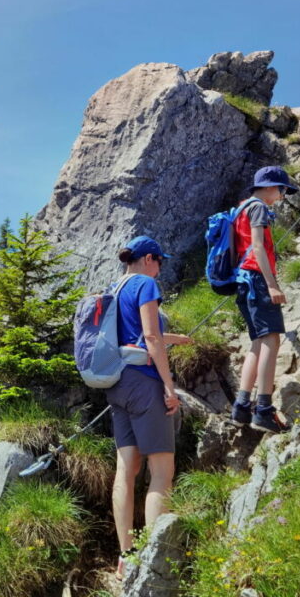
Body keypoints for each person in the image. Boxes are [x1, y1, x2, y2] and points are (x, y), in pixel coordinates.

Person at [105, 236, 193, 579]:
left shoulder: (114, 288)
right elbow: (151, 337)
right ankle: (153, 558)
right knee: (161, 471)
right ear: (148, 259)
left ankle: (126, 555)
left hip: (116, 385)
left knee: (126, 469)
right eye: (160, 261)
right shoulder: (144, 283)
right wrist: (169, 388)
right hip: (144, 384)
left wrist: (178, 339)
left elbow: (134, 337)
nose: (160, 268)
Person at [229, 166, 300, 434]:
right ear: (270, 186)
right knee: (271, 338)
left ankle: (241, 405)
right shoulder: (258, 207)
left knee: (258, 341)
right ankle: (264, 408)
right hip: (257, 279)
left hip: (242, 281)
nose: (282, 196)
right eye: (282, 190)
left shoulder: (241, 208)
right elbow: (257, 246)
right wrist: (272, 285)